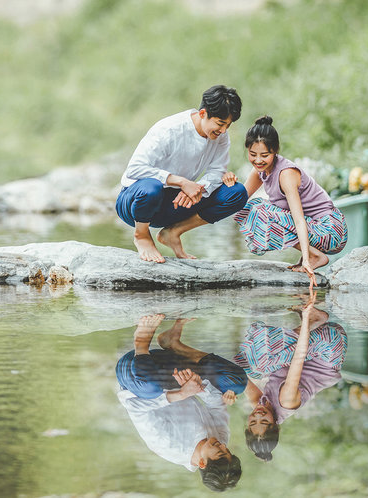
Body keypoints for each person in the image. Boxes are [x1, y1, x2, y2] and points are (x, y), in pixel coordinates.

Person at [116, 85, 248, 263]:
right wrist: (181, 182)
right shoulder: (169, 129)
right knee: (152, 187)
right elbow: (135, 168)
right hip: (136, 201)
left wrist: (198, 189)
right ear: (202, 113)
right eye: (220, 123)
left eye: (228, 125)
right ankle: (141, 235)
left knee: (237, 193)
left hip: (174, 203)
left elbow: (217, 171)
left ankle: (173, 232)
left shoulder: (221, 138)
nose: (223, 131)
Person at [116, 315, 243, 491]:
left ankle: (141, 342)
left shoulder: (169, 446)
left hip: (135, 374)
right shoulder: (220, 440)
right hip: (172, 369)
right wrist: (198, 385)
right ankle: (172, 343)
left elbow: (134, 406)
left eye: (220, 452)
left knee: (150, 388)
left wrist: (181, 393)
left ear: (201, 463)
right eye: (228, 450)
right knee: (236, 383)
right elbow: (216, 405)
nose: (222, 445)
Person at [233, 291, 347, 462]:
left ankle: (309, 318)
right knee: (261, 362)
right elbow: (298, 357)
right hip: (330, 345)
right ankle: (316, 319)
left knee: (248, 366)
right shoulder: (286, 401)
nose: (258, 415)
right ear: (276, 426)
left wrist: (230, 388)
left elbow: (237, 372)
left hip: (312, 351)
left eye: (252, 422)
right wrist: (307, 322)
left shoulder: (260, 405)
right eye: (264, 422)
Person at [234, 116, 347, 284]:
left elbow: (299, 219)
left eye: (264, 155)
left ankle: (316, 256)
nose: (258, 160)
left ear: (275, 151)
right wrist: (228, 184)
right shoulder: (260, 170)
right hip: (315, 228)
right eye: (252, 154)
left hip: (331, 230)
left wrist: (307, 260)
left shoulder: (286, 174)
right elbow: (237, 201)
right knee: (247, 207)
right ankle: (311, 255)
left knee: (259, 209)